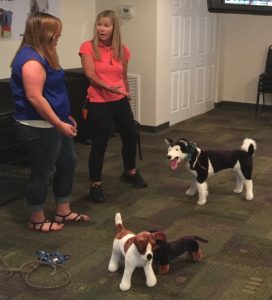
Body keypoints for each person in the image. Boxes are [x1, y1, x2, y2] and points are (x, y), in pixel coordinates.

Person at [10, 12, 90, 232]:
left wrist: (65, 117)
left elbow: (54, 91)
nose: (59, 36)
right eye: (56, 33)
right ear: (43, 33)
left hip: (55, 123)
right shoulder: (30, 61)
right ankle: (36, 218)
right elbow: (35, 98)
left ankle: (63, 210)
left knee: (68, 163)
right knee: (43, 172)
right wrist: (58, 123)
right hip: (39, 127)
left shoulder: (45, 53)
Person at [79, 10, 148, 204]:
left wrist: (126, 94)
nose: (102, 28)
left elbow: (123, 75)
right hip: (98, 101)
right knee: (100, 143)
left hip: (119, 99)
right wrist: (110, 88)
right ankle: (95, 185)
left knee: (131, 135)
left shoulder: (122, 50)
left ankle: (130, 172)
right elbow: (90, 75)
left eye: (106, 25)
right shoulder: (87, 47)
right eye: (99, 24)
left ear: (114, 28)